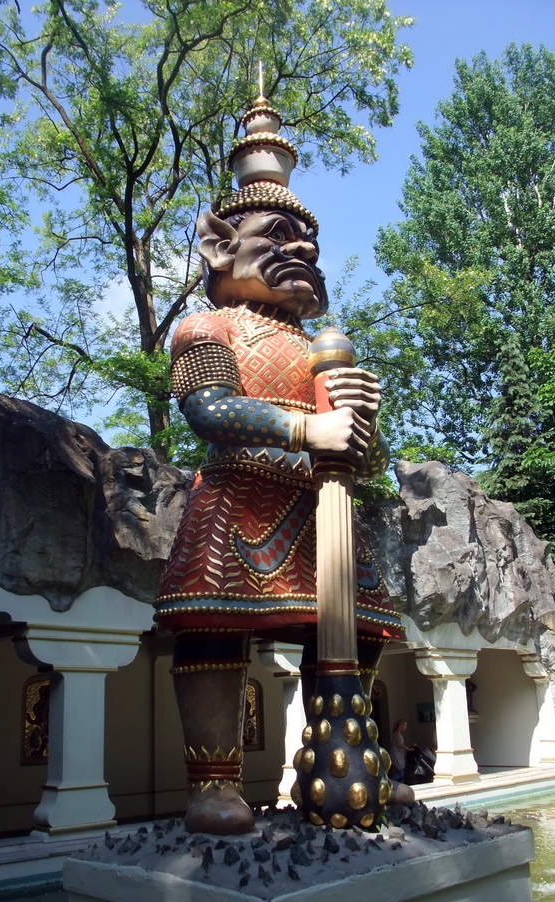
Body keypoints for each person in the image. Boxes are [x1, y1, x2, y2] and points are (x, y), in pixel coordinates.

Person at [154, 91, 405, 834]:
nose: (300, 250)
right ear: (218, 247)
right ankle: (214, 782)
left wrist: (361, 424)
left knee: (359, 630)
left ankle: (348, 765)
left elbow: (361, 452)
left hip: (320, 508)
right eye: (278, 235)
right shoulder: (206, 326)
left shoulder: (321, 345)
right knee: (213, 627)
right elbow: (210, 413)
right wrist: (310, 429)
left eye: (309, 244)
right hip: (240, 497)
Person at [389, 719, 413, 783]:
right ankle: (390, 782)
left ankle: (401, 785)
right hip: (396, 753)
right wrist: (409, 749)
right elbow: (401, 745)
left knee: (401, 772)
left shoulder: (398, 734)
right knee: (400, 772)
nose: (405, 727)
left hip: (399, 753)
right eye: (405, 725)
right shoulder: (396, 734)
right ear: (401, 726)